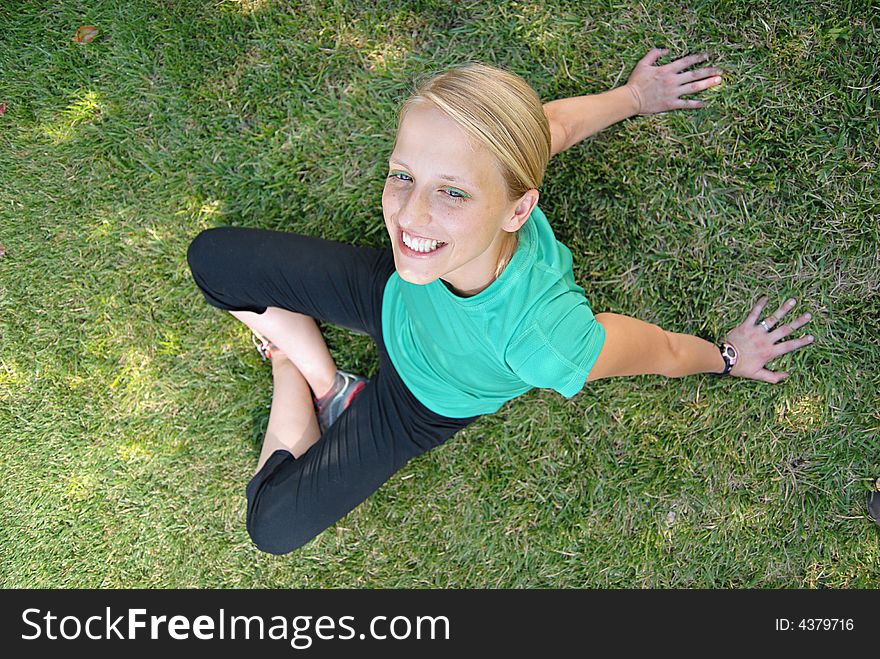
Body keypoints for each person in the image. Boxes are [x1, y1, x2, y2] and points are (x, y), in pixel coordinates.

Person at [186, 48, 815, 554]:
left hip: (421, 401)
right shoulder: (429, 242)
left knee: (271, 526)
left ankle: (290, 367)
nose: (408, 215)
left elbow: (667, 351)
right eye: (403, 176)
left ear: (519, 206)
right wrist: (636, 97)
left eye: (453, 193)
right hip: (393, 295)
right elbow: (556, 125)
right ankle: (329, 382)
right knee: (211, 260)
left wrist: (727, 357)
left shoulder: (544, 340)